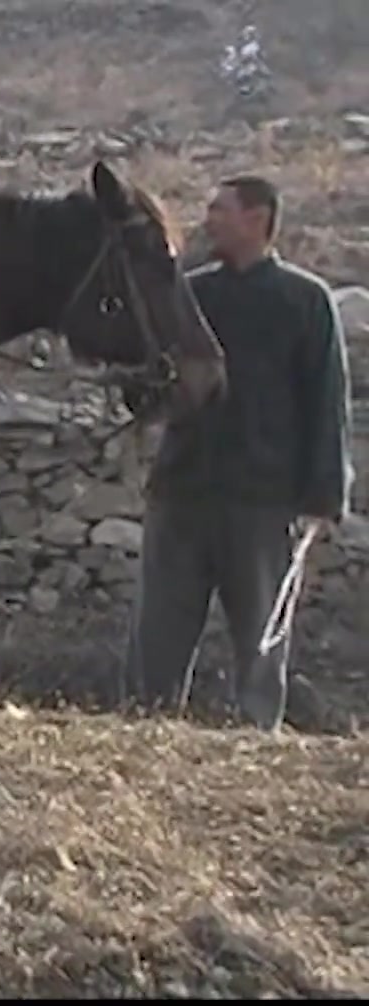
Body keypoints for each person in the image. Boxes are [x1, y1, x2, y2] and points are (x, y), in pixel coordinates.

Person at [123, 175, 354, 732]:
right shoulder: (190, 295)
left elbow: (327, 398)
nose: (209, 219)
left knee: (260, 634)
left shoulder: (306, 300)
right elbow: (153, 385)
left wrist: (325, 495)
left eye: (220, 209)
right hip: (182, 488)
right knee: (159, 631)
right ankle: (146, 730)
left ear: (257, 217)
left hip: (263, 497)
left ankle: (255, 738)